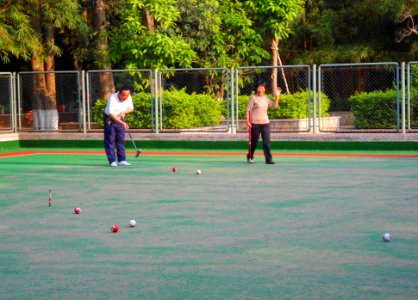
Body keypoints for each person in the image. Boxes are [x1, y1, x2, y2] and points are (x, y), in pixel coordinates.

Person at [246, 80, 282, 164]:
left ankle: (268, 159)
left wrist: (277, 96)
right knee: (254, 142)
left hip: (265, 123)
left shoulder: (266, 98)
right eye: (259, 87)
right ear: (256, 88)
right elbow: (248, 110)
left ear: (265, 89)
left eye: (262, 88)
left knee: (266, 142)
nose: (261, 89)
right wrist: (248, 122)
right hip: (255, 123)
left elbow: (275, 106)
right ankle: (250, 156)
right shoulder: (253, 98)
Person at [104, 86, 134, 167]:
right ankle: (112, 161)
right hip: (110, 118)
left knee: (121, 139)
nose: (126, 98)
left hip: (120, 118)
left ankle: (122, 160)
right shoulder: (113, 98)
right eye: (124, 96)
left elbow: (131, 108)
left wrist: (124, 112)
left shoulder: (128, 97)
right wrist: (123, 123)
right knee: (110, 139)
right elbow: (111, 114)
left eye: (127, 96)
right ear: (119, 94)